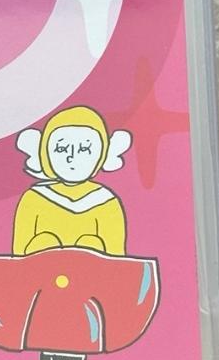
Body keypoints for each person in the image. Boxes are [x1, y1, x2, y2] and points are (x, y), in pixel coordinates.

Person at [12, 105, 131, 255]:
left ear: (102, 153)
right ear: (45, 153)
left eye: (84, 149)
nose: (72, 157)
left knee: (90, 243)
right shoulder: (33, 198)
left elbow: (116, 256)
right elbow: (19, 253)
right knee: (44, 240)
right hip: (41, 269)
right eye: (61, 149)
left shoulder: (107, 202)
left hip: (91, 269)